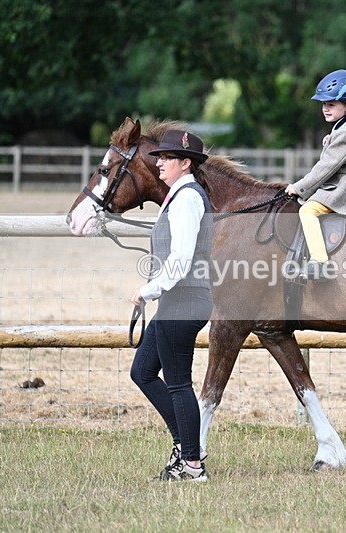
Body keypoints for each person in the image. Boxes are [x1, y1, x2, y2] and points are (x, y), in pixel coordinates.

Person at [129, 129, 213, 482]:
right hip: (177, 301)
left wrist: (150, 289)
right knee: (143, 371)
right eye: (159, 157)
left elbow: (181, 257)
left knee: (178, 382)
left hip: (185, 298)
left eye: (166, 158)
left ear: (185, 163)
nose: (159, 162)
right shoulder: (178, 195)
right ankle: (184, 446)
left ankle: (192, 465)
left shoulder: (187, 199)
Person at [285, 69, 346, 281]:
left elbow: (324, 168)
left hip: (345, 189)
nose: (325, 109)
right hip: (339, 185)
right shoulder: (344, 128)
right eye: (323, 104)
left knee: (308, 211)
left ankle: (320, 262)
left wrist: (298, 187)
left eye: (331, 104)